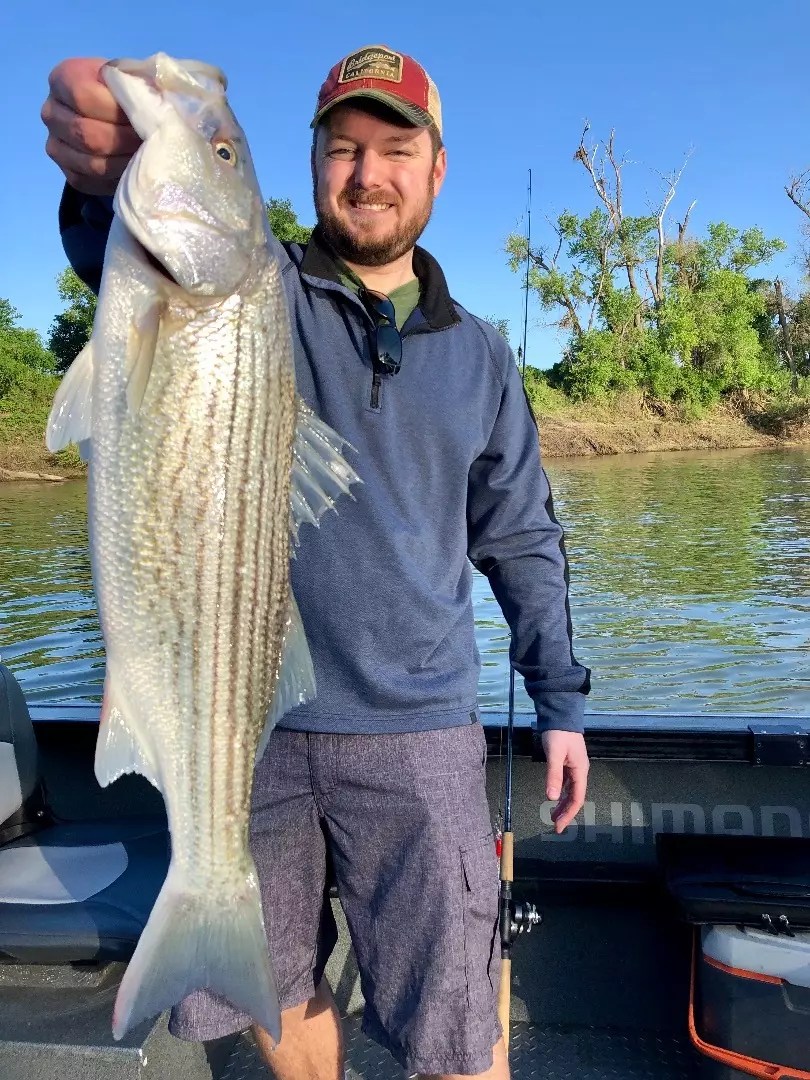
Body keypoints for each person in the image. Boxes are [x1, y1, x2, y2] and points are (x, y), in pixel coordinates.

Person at [41, 44, 591, 1080]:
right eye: (343, 148)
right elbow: (124, 253)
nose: (368, 172)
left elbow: (520, 535)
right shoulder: (258, 286)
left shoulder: (480, 353)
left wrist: (559, 703)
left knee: (457, 1033)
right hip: (253, 727)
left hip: (422, 734)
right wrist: (96, 179)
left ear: (437, 168)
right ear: (310, 165)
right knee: (280, 996)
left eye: (395, 148)